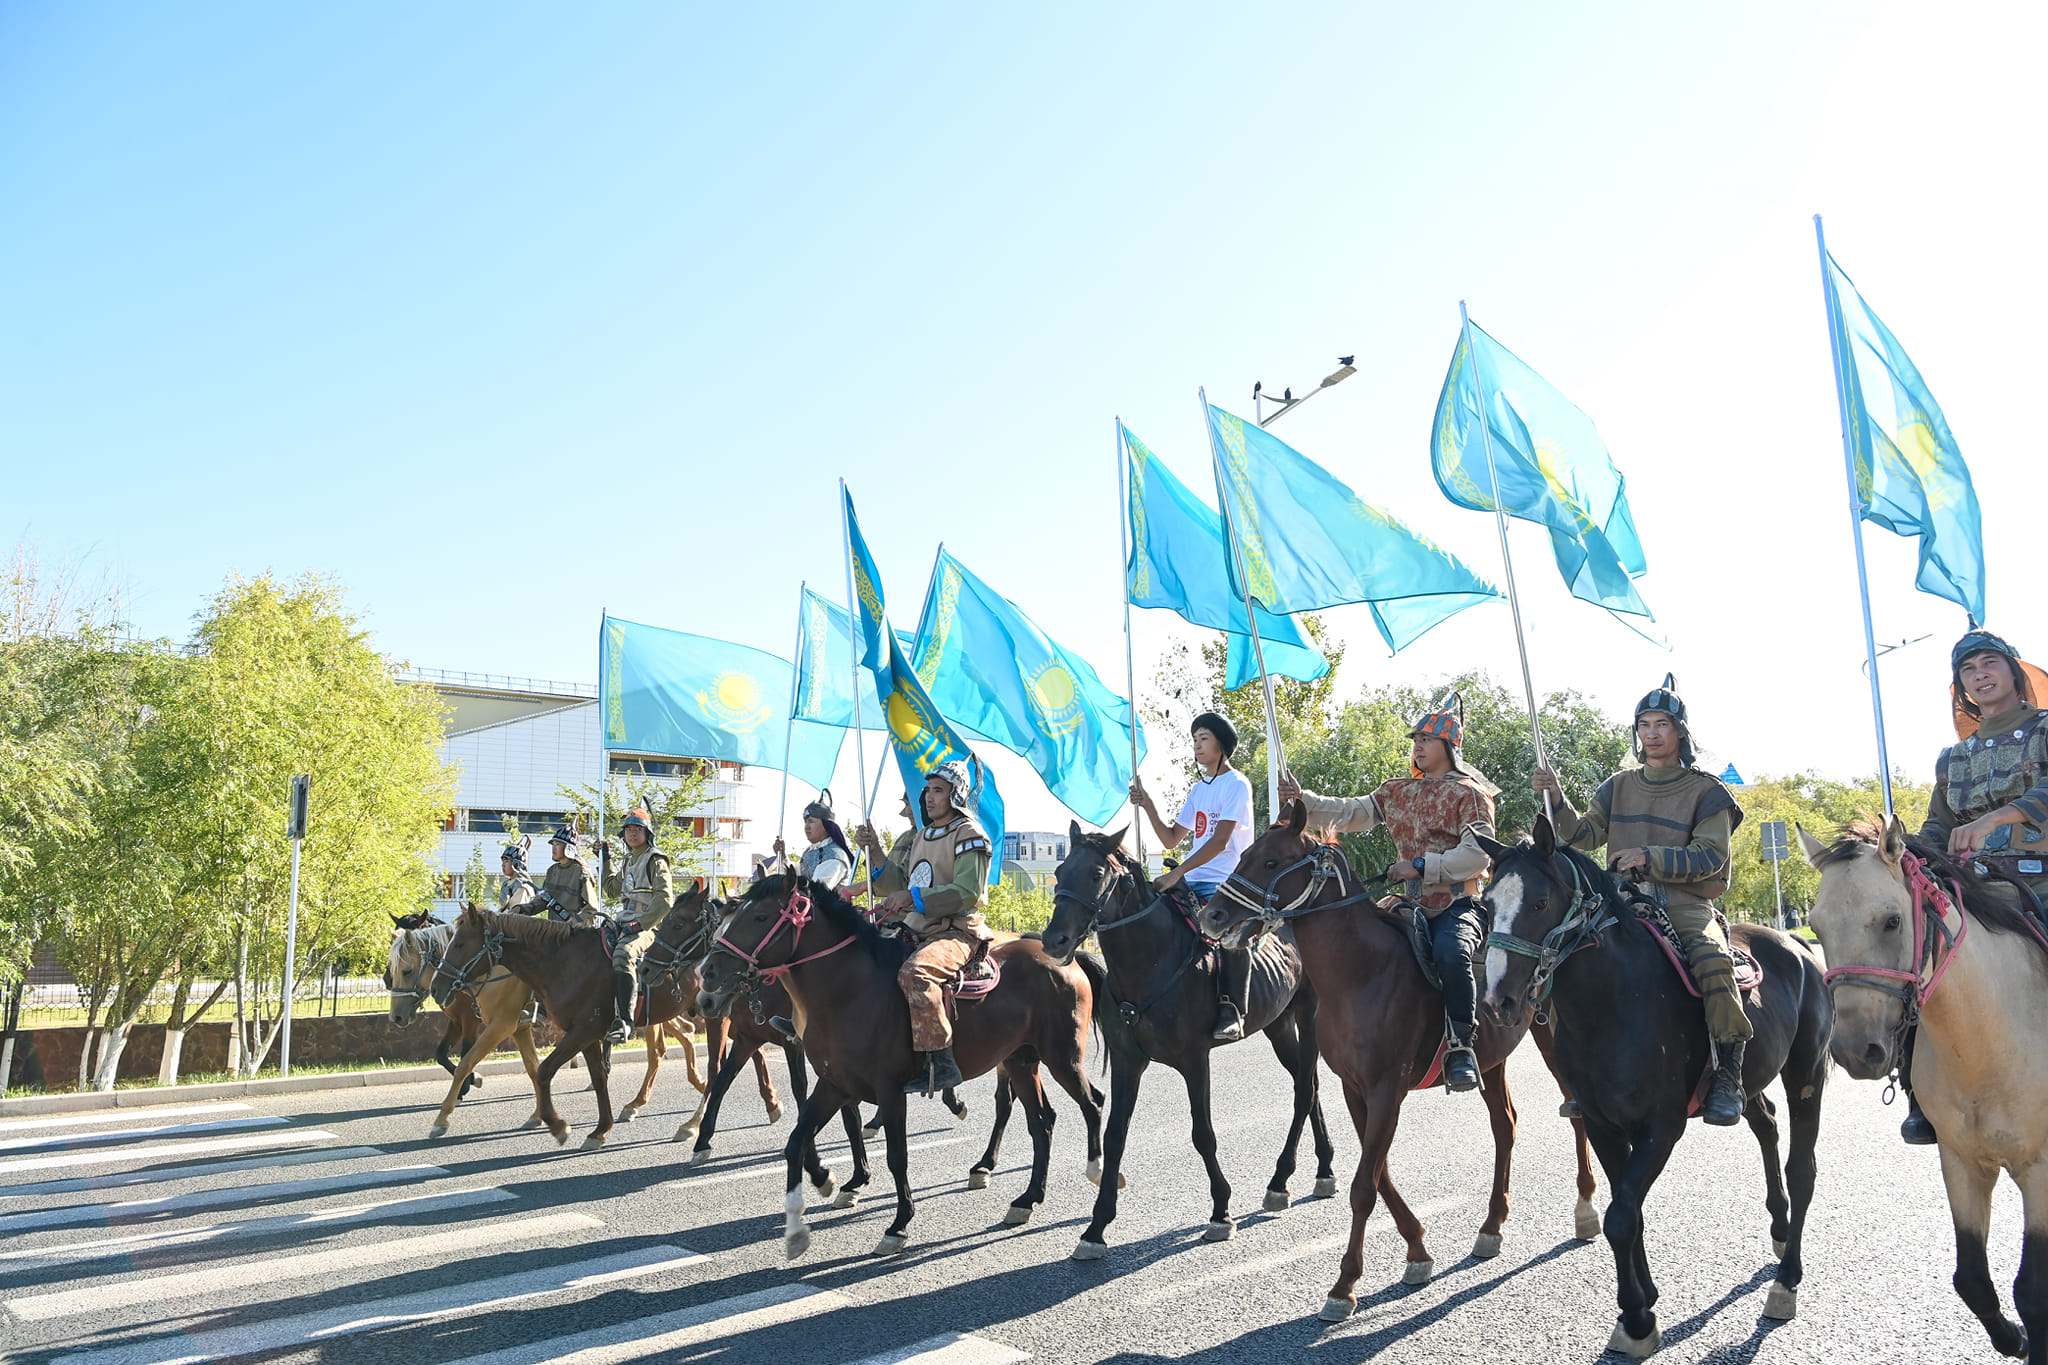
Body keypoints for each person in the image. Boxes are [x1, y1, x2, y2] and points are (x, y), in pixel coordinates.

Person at [1533, 674, 1751, 1126]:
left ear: (1680, 732)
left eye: (1661, 725)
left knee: (1713, 960)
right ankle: (1576, 1075)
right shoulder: (1618, 785)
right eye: (1644, 725)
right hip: (1621, 904)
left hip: (1684, 904)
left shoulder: (1708, 792)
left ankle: (1728, 1074)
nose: (1651, 733)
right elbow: (1582, 835)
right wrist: (1556, 797)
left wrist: (1648, 857)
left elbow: (1710, 856)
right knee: (1563, 963)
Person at [1278, 693, 1496, 1092]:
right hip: (1406, 902)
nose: (1418, 745)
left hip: (1456, 903)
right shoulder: (1397, 791)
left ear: (1449, 746)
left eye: (1427, 739)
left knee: (1452, 952)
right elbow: (1349, 813)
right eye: (1416, 738)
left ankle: (1462, 1046)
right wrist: (1302, 800)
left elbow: (1477, 856)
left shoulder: (1471, 794)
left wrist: (1420, 866)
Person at [1898, 629, 2048, 1144]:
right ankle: (1921, 1093)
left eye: (1990, 664)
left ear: (2013, 672)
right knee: (1914, 960)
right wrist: (1905, 849)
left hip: (2039, 877)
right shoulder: (1954, 758)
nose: (1981, 675)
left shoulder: (2044, 730)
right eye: (1969, 670)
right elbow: (1939, 826)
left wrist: (1997, 819)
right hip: (1969, 884)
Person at [857, 759, 994, 1093]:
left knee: (916, 973)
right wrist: (874, 848)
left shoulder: (970, 835)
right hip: (918, 927)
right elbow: (897, 883)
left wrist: (913, 899)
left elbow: (967, 892)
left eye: (938, 791)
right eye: (928, 790)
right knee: (854, 954)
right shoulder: (923, 836)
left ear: (956, 795)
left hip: (957, 930)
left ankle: (941, 1062)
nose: (930, 797)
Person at [1128, 712, 1256, 1041]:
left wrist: (1177, 873)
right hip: (1190, 878)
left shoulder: (1237, 785)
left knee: (1228, 932)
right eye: (1195, 739)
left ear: (1222, 745)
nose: (1197, 745)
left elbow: (1220, 841)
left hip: (1228, 881)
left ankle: (1231, 1008)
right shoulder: (1199, 790)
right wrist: (1148, 806)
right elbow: (1172, 839)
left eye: (1204, 738)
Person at [599, 806, 674, 1046]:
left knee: (623, 954)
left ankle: (625, 1022)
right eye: (628, 829)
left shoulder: (655, 859)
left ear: (647, 832)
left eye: (637, 829)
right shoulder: (629, 860)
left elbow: (665, 901)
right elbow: (611, 890)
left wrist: (640, 924)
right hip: (623, 922)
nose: (632, 833)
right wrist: (605, 858)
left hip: (647, 927)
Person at [772, 788, 857, 892]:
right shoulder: (809, 851)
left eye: (811, 822)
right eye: (806, 822)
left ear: (826, 826)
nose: (807, 827)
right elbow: (798, 876)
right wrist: (783, 856)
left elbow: (816, 891)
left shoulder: (835, 855)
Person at [535, 823, 600, 924]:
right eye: (553, 844)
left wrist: (576, 921)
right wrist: (520, 909)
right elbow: (542, 901)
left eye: (558, 844)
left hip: (573, 933)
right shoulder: (552, 871)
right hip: (553, 928)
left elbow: (592, 910)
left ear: (568, 848)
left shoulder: (581, 872)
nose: (554, 848)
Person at [499, 837, 537, 912]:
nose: (503, 865)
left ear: (516, 864)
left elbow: (516, 914)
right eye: (503, 861)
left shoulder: (522, 886)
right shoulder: (506, 884)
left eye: (506, 861)